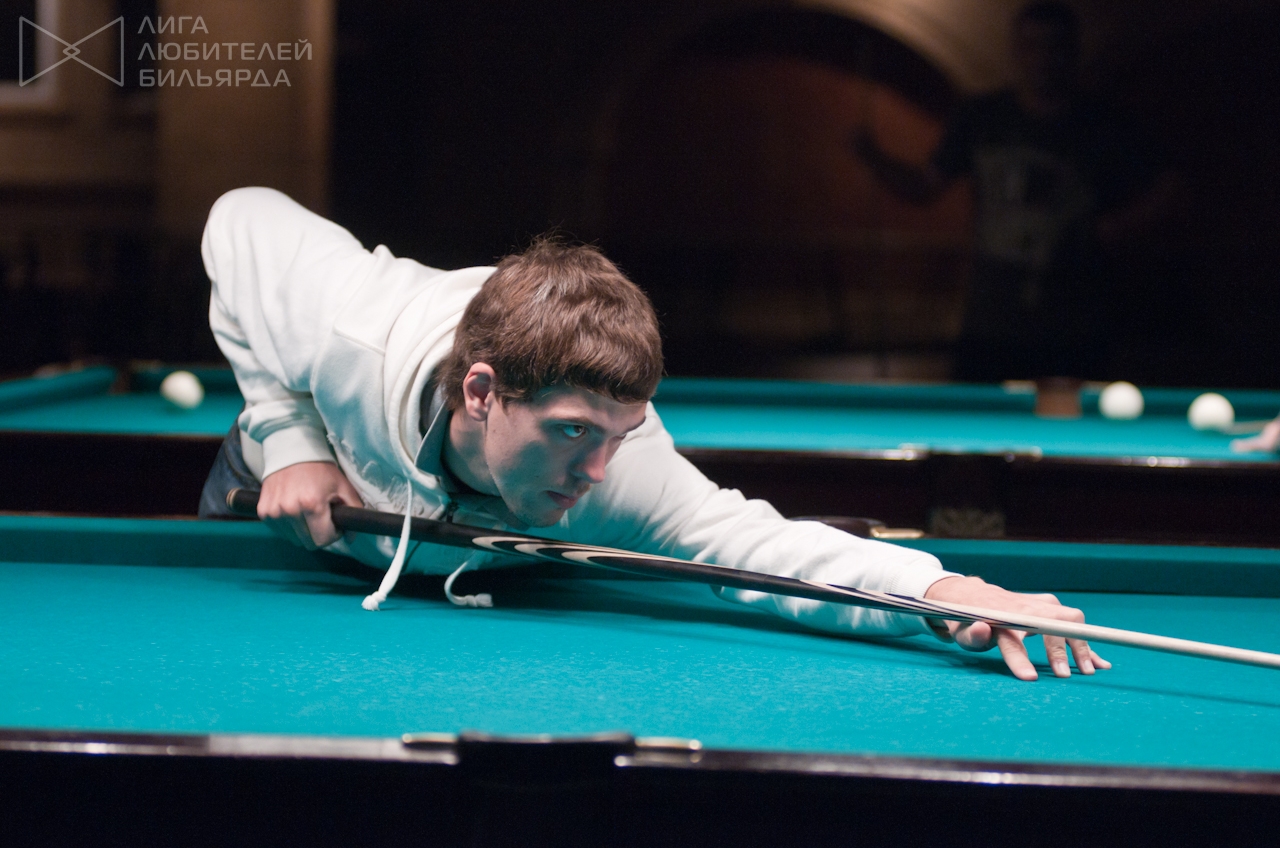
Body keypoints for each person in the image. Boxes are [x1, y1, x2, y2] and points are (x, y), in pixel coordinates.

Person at [198, 186, 1108, 681]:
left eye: (618, 432)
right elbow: (241, 217)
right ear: (482, 391)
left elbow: (763, 551)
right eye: (570, 431)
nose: (596, 470)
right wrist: (291, 437)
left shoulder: (621, 470)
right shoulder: (357, 330)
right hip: (285, 518)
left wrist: (943, 589)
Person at [854, 0, 1181, 381]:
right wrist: (875, 159)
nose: (1043, 58)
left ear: (1072, 52)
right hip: (992, 322)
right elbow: (926, 188)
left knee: (1067, 418)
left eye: (1054, 46)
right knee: (977, 417)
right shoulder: (982, 117)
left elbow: (1173, 192)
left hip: (1074, 324)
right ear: (1016, 52)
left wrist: (1112, 228)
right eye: (1031, 46)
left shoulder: (1103, 124)